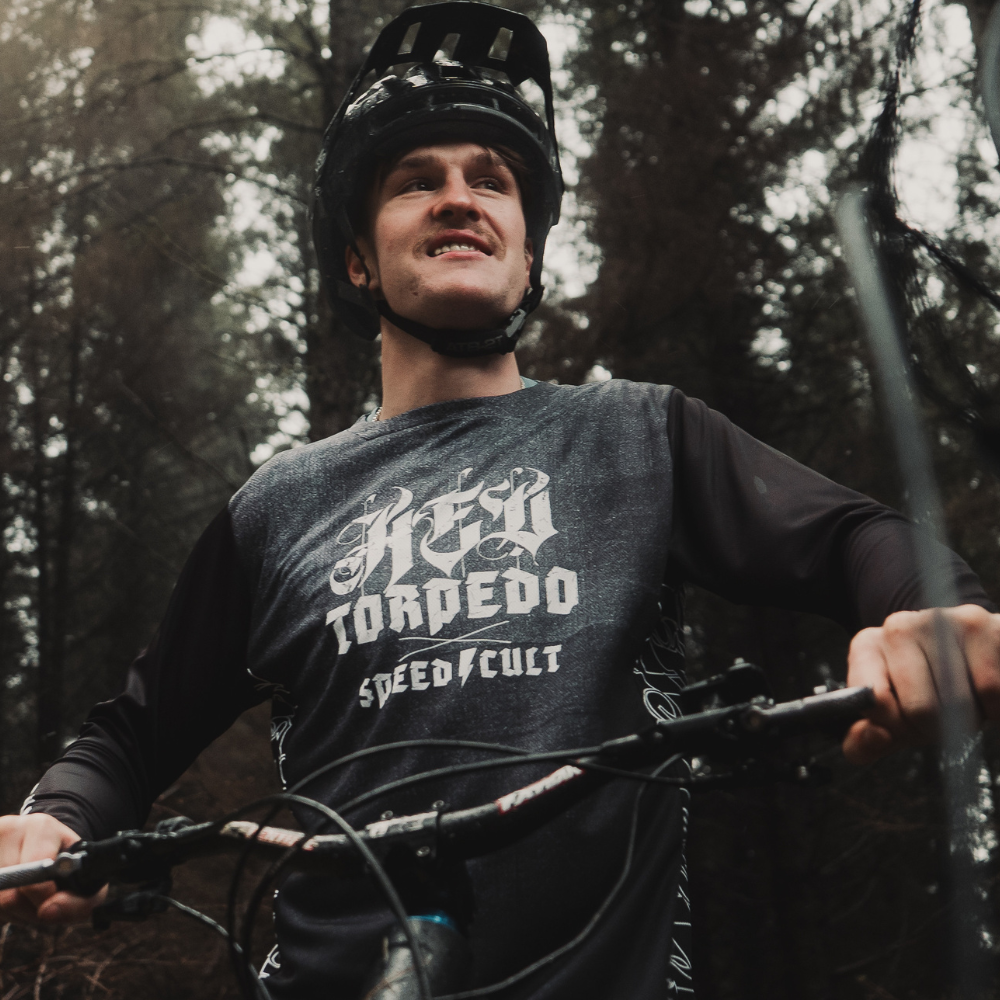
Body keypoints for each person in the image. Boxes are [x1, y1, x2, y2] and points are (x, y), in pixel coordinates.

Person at [2, 3, 999, 998]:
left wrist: (934, 614)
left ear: (527, 252)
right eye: (414, 181)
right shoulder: (277, 507)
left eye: (491, 180)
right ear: (357, 259)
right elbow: (130, 735)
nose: (457, 198)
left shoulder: (639, 436)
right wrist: (59, 819)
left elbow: (855, 539)